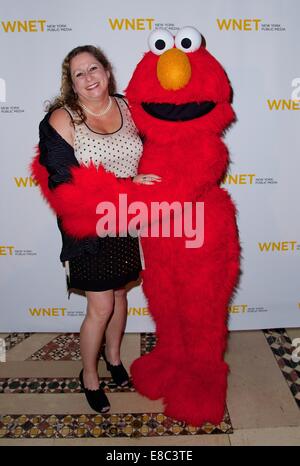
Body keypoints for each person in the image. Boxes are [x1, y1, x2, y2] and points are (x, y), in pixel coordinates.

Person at [36, 45, 161, 413]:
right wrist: (128, 183)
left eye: (94, 68)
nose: (89, 77)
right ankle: (89, 375)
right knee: (101, 304)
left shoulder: (127, 107)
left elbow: (154, 150)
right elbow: (65, 183)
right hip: (87, 226)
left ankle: (114, 358)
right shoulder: (62, 119)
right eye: (79, 73)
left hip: (126, 221)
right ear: (71, 83)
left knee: (120, 295)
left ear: (107, 71)